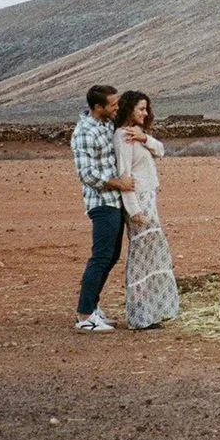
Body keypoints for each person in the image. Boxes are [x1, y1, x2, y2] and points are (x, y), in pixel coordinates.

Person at [70, 84, 136, 332]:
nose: (116, 108)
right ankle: (85, 315)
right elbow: (87, 173)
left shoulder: (107, 124)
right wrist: (118, 183)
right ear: (97, 107)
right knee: (100, 257)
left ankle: (92, 307)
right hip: (101, 202)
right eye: (112, 104)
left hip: (115, 201)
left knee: (111, 256)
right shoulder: (85, 132)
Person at [113, 90, 180, 328]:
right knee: (141, 256)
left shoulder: (137, 135)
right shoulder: (122, 137)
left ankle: (150, 313)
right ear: (129, 108)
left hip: (149, 200)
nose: (146, 113)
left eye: (146, 108)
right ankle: (139, 316)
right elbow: (125, 176)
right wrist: (133, 210)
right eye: (141, 108)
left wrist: (144, 138)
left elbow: (160, 150)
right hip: (139, 203)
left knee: (151, 254)